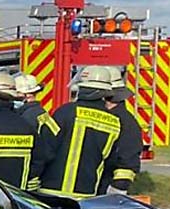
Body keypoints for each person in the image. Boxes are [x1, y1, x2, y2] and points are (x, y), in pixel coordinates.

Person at [37, 66, 124, 198]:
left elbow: (44, 149)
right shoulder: (114, 122)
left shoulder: (65, 112)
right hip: (86, 195)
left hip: (50, 192)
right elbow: (110, 163)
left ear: (81, 89)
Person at [98, 67, 143, 195]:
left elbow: (128, 164)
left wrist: (116, 190)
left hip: (103, 191)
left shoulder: (126, 123)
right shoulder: (107, 117)